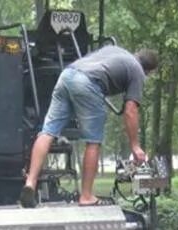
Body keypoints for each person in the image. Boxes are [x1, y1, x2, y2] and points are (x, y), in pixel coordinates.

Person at [20, 45, 158, 208]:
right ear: (149, 71)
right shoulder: (137, 72)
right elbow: (130, 111)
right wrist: (135, 146)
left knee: (47, 132)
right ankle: (86, 196)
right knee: (93, 141)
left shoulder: (115, 50)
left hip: (67, 75)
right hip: (88, 83)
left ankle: (30, 183)